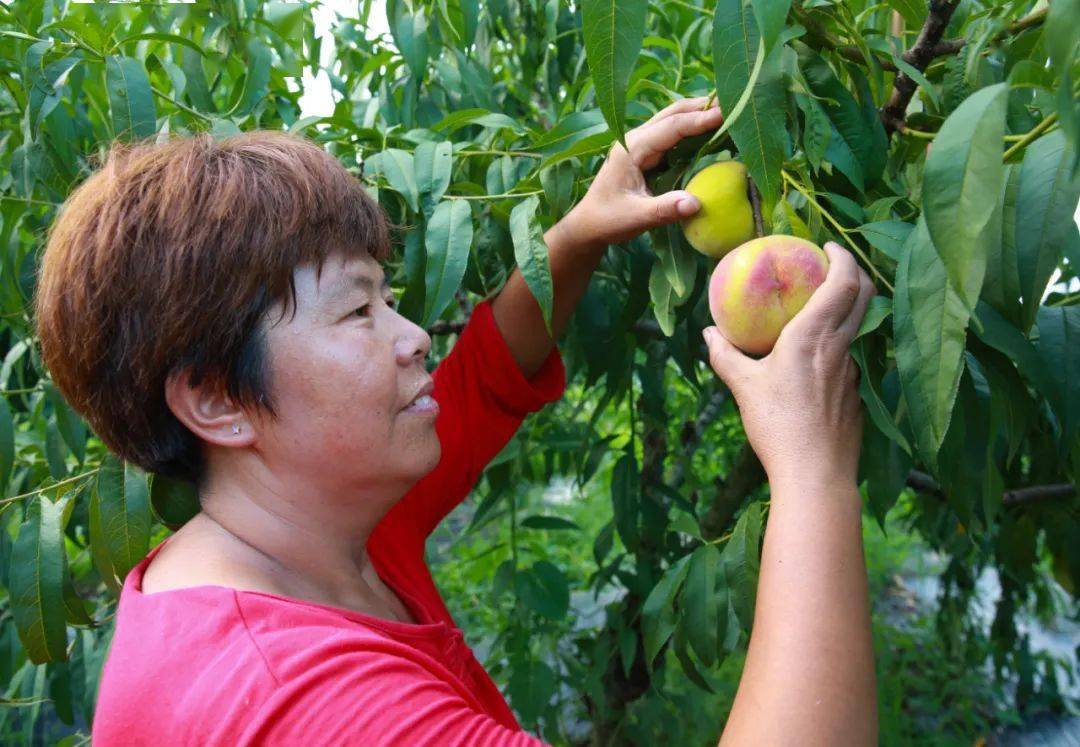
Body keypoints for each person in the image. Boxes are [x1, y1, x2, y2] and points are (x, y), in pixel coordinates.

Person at [34, 96, 876, 745]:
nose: (411, 337)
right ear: (216, 398)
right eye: (357, 311)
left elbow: (483, 379)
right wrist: (812, 474)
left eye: (389, 296)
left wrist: (580, 233)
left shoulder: (313, 528)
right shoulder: (298, 698)